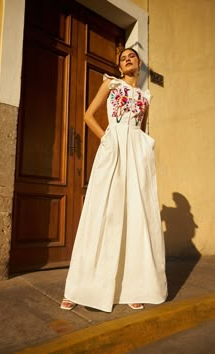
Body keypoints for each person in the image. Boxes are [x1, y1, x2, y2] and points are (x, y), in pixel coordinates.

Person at [61, 48, 167, 312]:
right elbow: (88, 115)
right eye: (123, 58)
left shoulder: (145, 95)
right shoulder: (111, 83)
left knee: (135, 216)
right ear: (119, 67)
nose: (128, 59)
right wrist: (106, 138)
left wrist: (142, 149)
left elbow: (141, 128)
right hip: (113, 147)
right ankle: (78, 287)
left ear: (139, 64)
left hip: (137, 154)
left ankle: (133, 286)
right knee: (101, 211)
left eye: (132, 56)